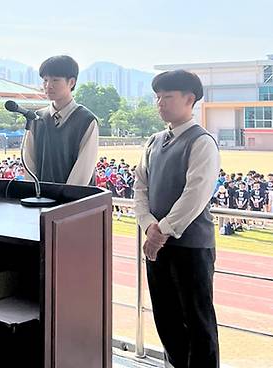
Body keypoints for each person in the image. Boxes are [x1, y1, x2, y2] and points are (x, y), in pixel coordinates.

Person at [134, 70, 220, 367]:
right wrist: (147, 224)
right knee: (166, 317)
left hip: (191, 247)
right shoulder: (153, 142)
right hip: (156, 244)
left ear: (189, 99)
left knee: (198, 321)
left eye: (167, 97)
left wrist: (161, 231)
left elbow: (196, 195)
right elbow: (140, 187)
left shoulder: (202, 142)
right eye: (157, 97)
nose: (160, 103)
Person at [23, 55, 99, 185]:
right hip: (42, 200)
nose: (48, 86)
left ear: (71, 82)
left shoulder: (86, 121)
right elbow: (29, 163)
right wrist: (33, 193)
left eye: (55, 80)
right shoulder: (36, 119)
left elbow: (83, 171)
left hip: (76, 200)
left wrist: (66, 201)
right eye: (45, 80)